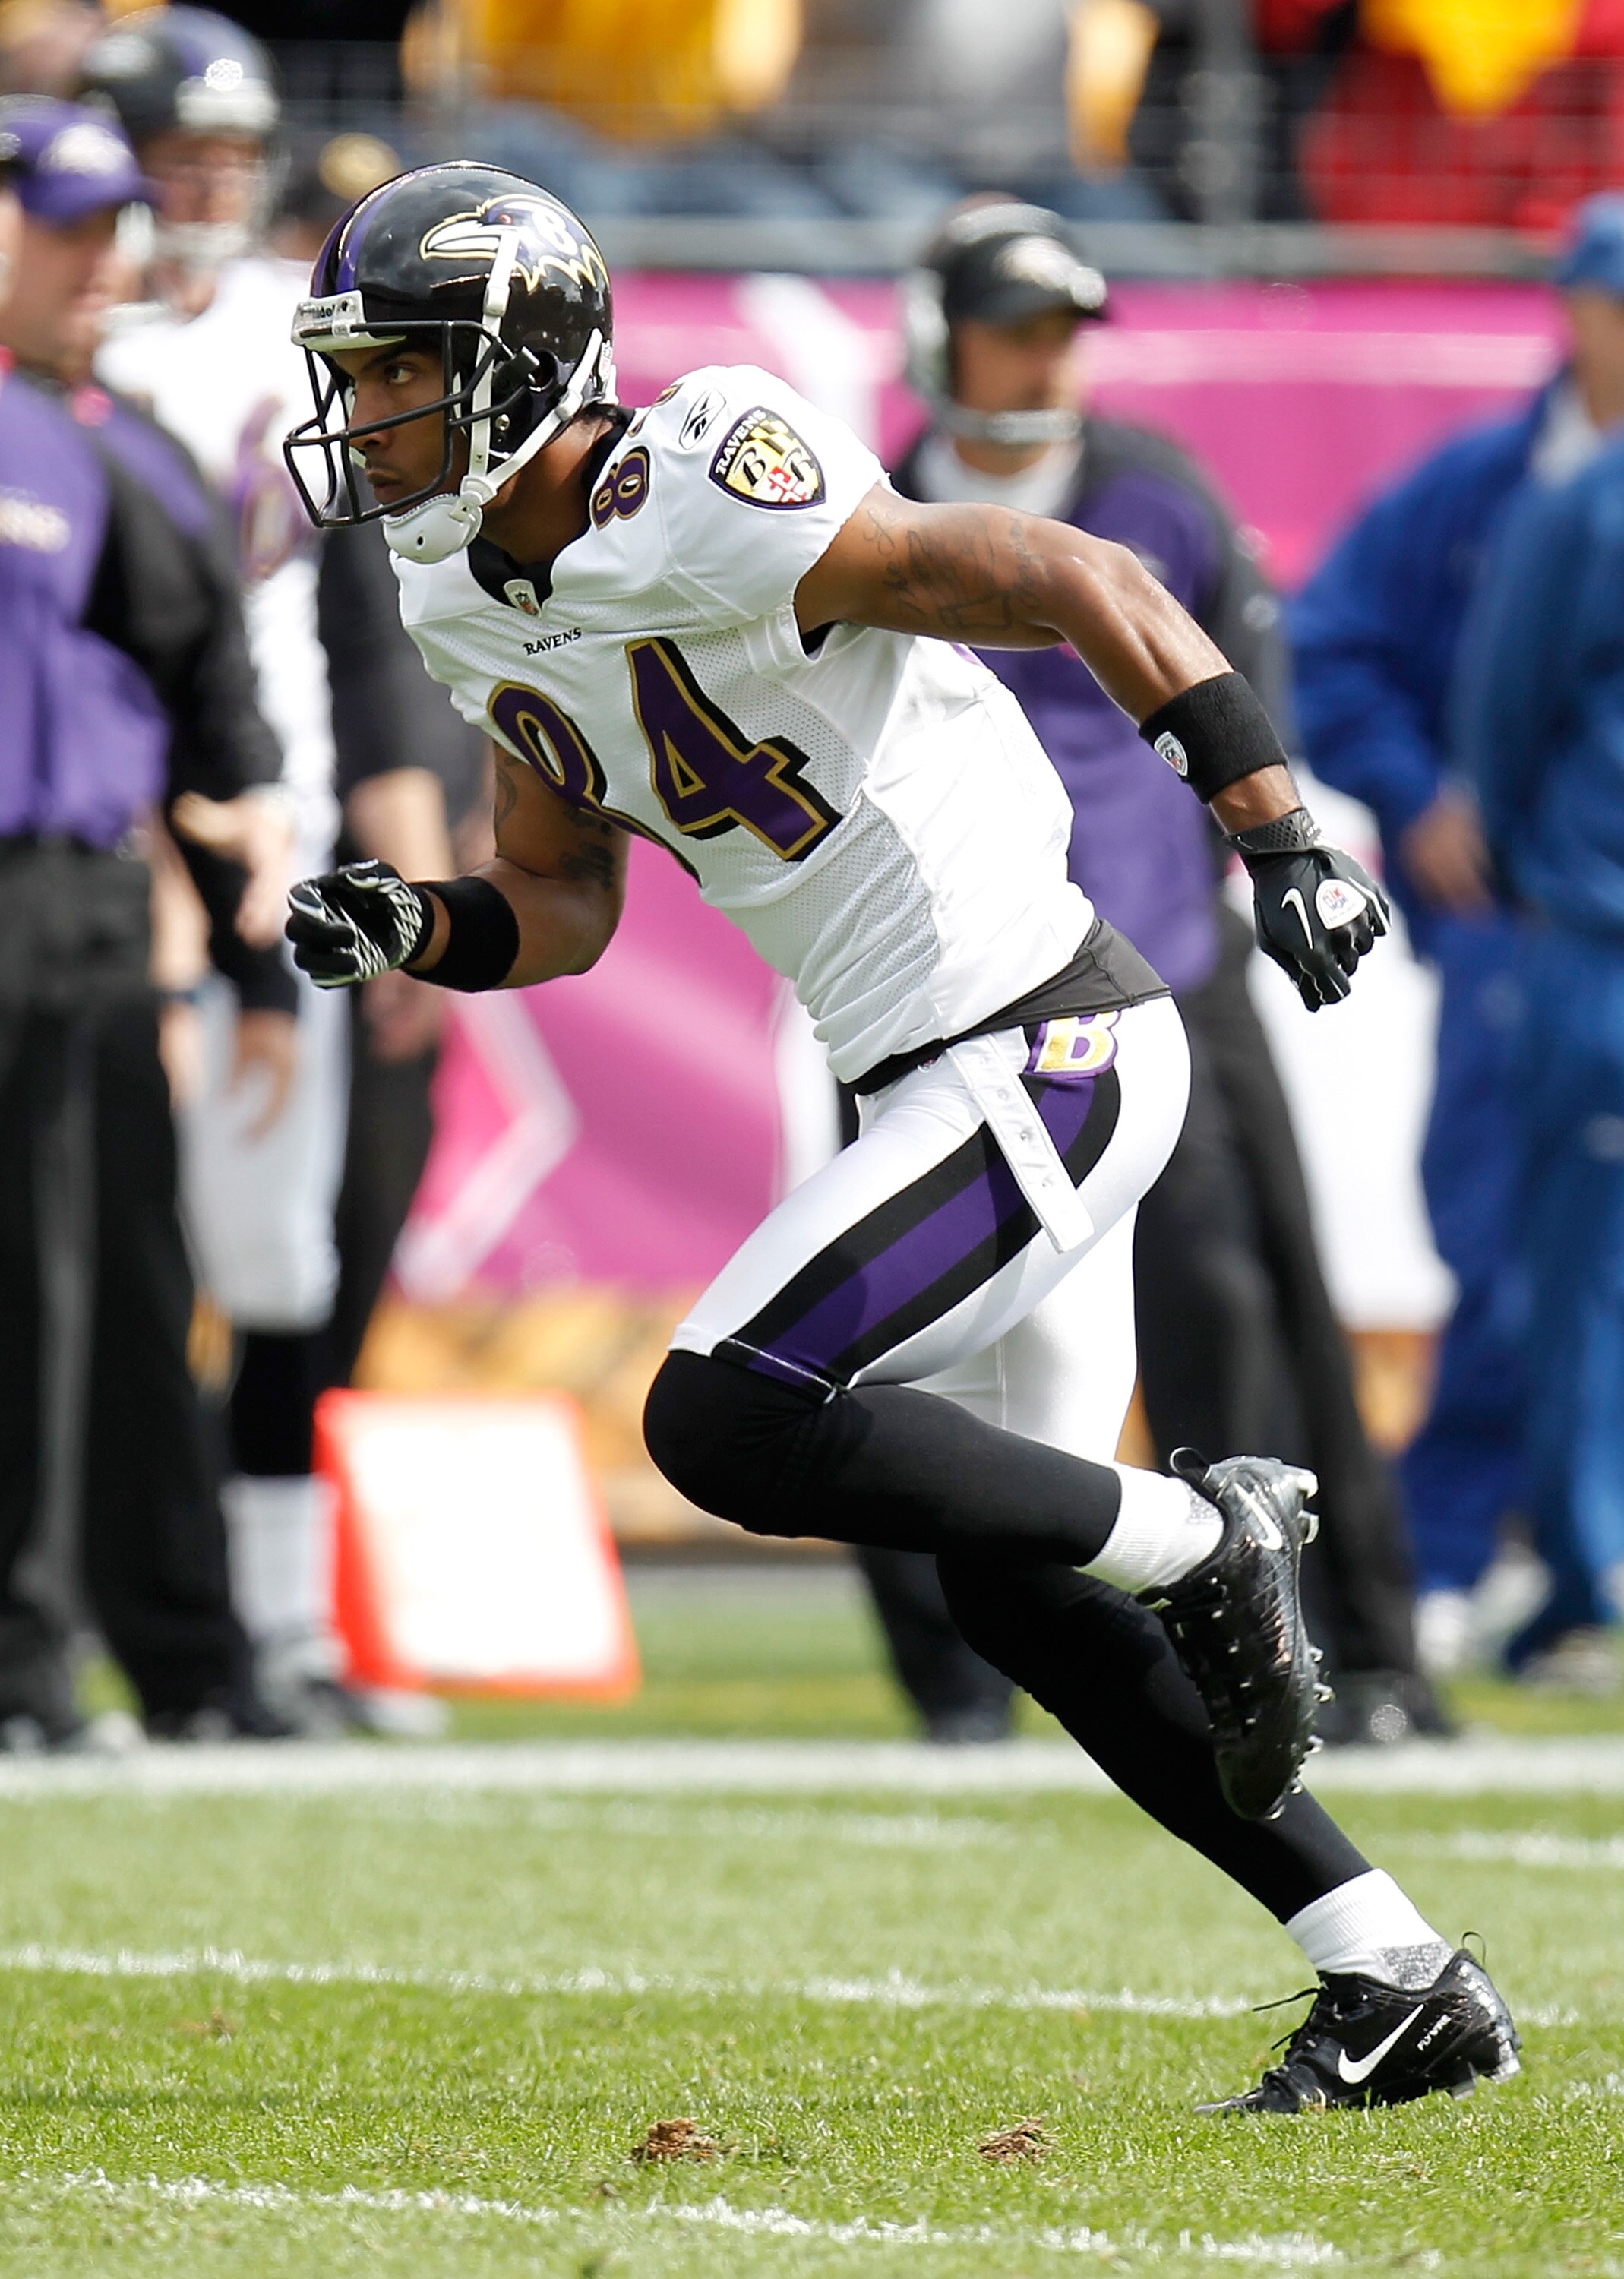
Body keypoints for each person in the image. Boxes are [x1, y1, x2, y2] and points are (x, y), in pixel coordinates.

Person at [281, 160, 1518, 2112]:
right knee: (1014, 1578)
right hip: (938, 1069)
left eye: (399, 372)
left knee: (717, 1414)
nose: (365, 417)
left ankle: (1217, 1527)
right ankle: (1393, 1973)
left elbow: (1074, 579)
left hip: (1046, 1042)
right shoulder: (454, 584)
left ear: (515, 363)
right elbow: (569, 899)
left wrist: (1271, 824)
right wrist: (418, 922)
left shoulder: (696, 469)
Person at [880, 196, 1435, 1746]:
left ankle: (1326, 1641)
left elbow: (1234, 709)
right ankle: (952, 1670)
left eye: (1063, 329)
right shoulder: (857, 508)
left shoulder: (1154, 499)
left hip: (1154, 970)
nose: (1041, 361)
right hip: (921, 977)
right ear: (940, 336)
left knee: (1233, 1293)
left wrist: (1281, 872)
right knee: (910, 1322)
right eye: (1011, 325)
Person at [83, 13, 469, 1731]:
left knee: (284, 1259)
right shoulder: (62, 366)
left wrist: (403, 877)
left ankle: (268, 1633)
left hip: (275, 846)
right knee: (99, 1262)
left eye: (225, 165)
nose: (202, 198)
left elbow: (361, 623)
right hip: (100, 842)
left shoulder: (290, 347)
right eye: (175, 163)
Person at [1291, 191, 1624, 1685]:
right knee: (1509, 1257)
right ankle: (1459, 1556)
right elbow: (1342, 648)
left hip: (1556, 907)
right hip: (1537, 921)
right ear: (1575, 310)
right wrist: (1433, 801)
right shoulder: (1506, 492)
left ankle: (1544, 1558)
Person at [0, 97, 290, 1746]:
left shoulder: (131, 442)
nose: (103, 260)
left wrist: (250, 931)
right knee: (27, 1295)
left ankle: (181, 1664)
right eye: (64, 225)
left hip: (88, 907)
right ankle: (26, 1665)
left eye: (116, 226)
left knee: (115, 1286)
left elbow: (216, 702)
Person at [1455, 213, 1624, 1686]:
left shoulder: (1588, 500)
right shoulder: (1583, 504)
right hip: (1602, 938)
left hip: (1591, 924)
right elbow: (1497, 721)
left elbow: (1504, 724)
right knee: (1581, 1272)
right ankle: (1588, 1576)